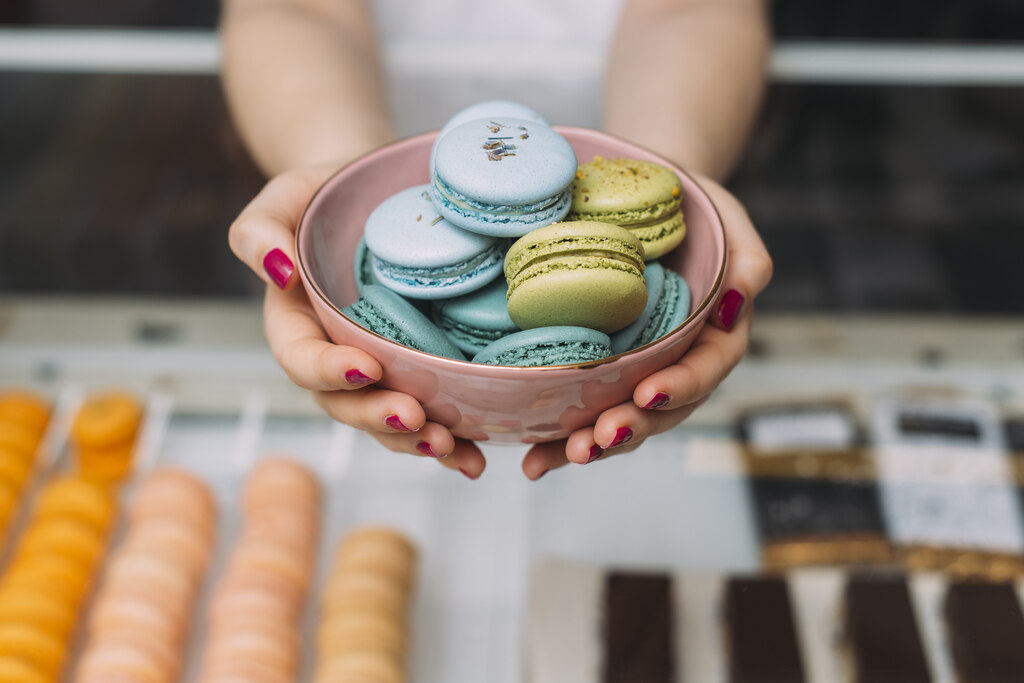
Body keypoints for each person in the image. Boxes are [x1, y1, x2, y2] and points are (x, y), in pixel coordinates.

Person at [219, 0, 773, 480]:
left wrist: (670, 161)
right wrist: (340, 170)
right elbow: (292, 8)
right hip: (350, 117)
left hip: (638, 120)